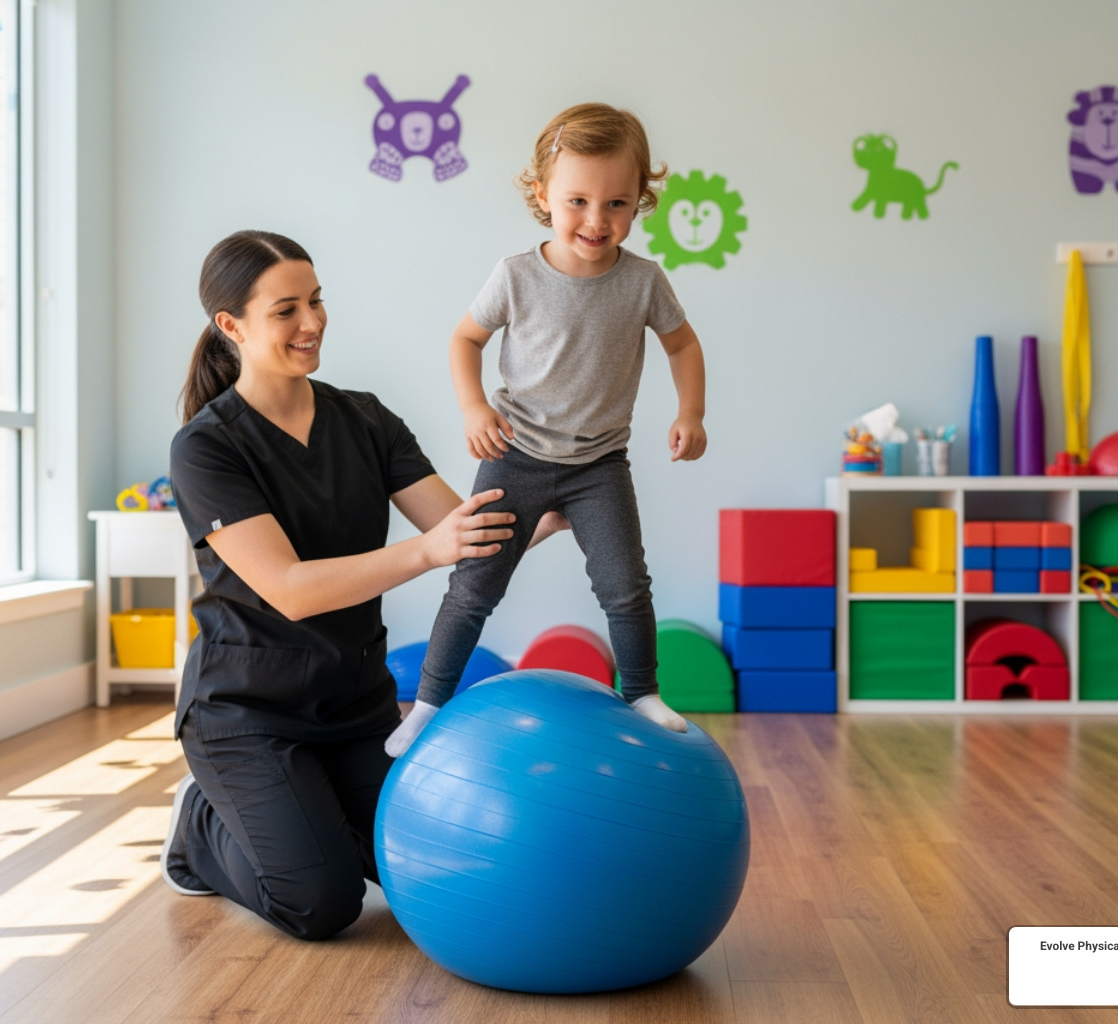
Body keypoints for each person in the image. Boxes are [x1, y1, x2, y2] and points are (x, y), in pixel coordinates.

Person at [161, 230, 564, 939]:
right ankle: (199, 824)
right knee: (323, 903)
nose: (312, 322)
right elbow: (288, 587)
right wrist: (427, 553)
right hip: (248, 714)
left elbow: (463, 530)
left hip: (354, 709)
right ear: (232, 326)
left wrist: (557, 498)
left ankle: (303, 814)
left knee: (440, 864)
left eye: (316, 301)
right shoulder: (206, 445)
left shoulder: (366, 420)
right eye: (286, 310)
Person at [385, 102, 708, 758]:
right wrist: (475, 409)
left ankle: (641, 690)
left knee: (626, 585)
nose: (597, 220)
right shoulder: (516, 275)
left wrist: (690, 414)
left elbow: (683, 346)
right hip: (516, 455)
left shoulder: (644, 281)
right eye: (578, 201)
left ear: (641, 200)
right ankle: (427, 704)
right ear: (542, 195)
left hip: (599, 466)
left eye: (617, 203)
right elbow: (464, 340)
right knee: (474, 584)